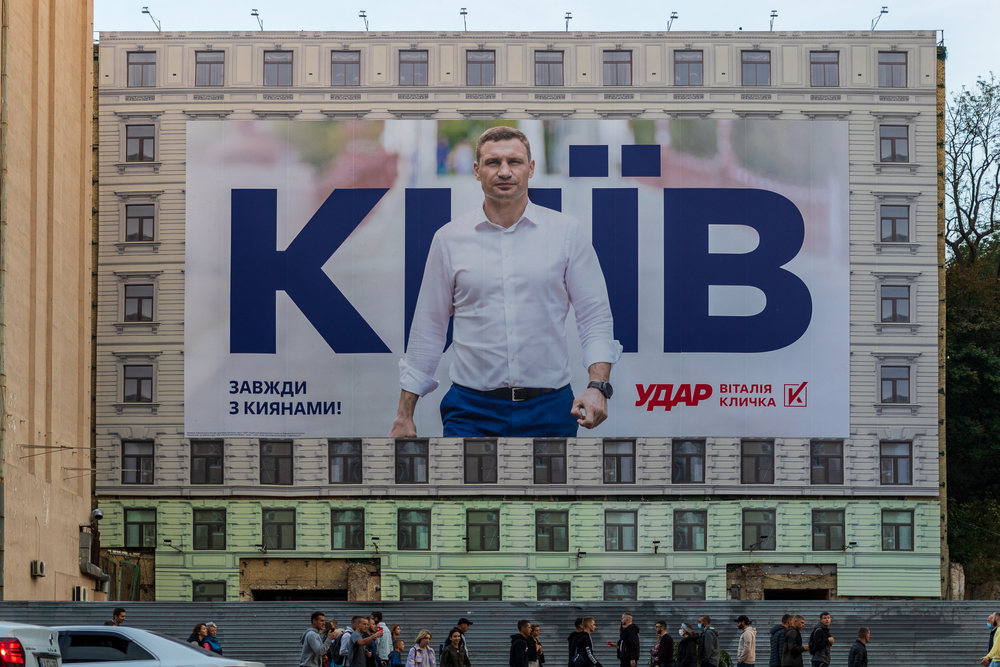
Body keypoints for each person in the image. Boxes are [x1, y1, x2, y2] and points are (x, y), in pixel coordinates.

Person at [391, 125, 622, 438]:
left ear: (530, 169)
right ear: (476, 171)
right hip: (471, 412)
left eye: (514, 162)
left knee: (548, 490)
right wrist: (405, 415)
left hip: (551, 410)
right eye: (492, 162)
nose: (504, 171)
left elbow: (594, 317)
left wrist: (598, 387)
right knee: (468, 490)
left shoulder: (567, 233)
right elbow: (428, 329)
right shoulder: (448, 240)